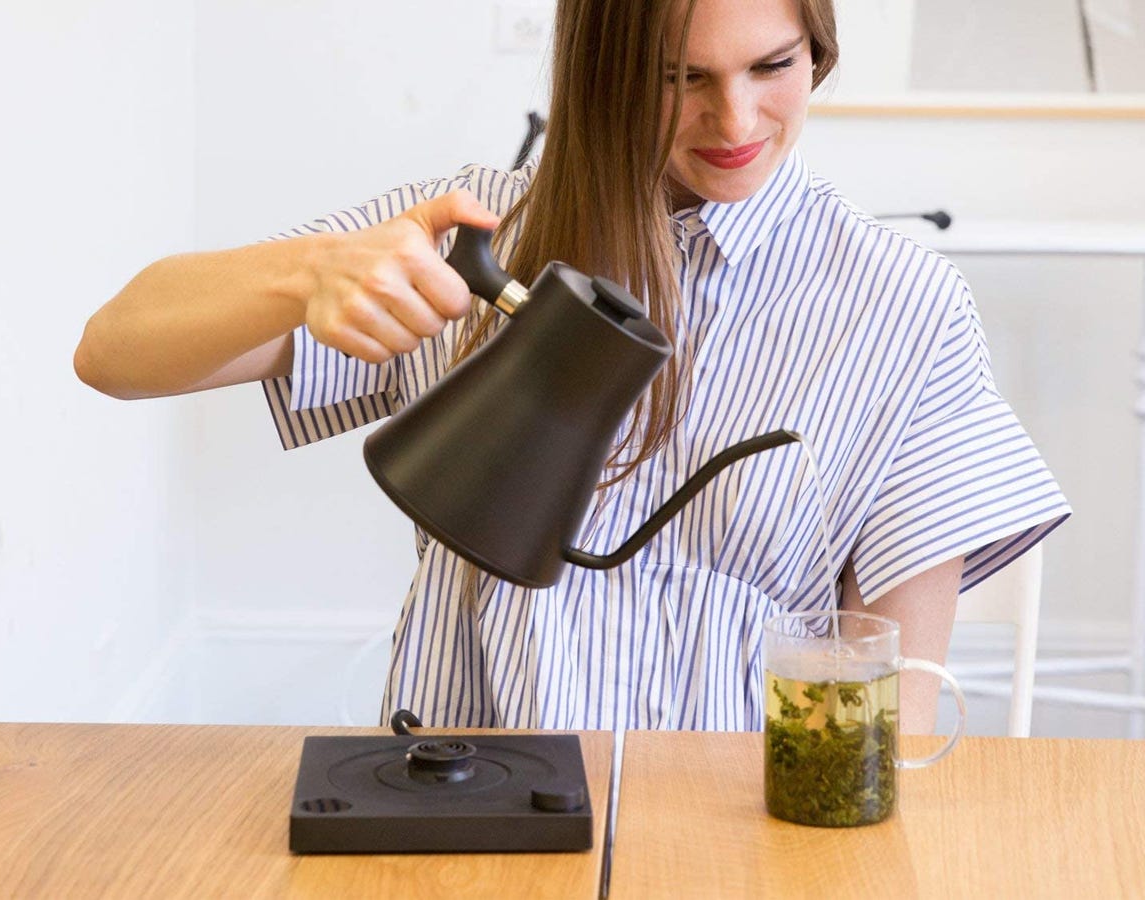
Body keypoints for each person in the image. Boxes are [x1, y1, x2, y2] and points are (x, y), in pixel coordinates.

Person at [75, 0, 1069, 734]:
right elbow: (114, 350)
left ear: (820, 48)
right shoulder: (474, 236)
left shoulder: (903, 307)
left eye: (774, 65)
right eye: (680, 78)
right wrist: (305, 275)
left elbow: (890, 705)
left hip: (739, 839)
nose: (735, 121)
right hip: (469, 814)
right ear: (605, 72)